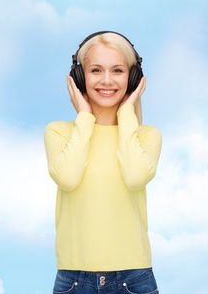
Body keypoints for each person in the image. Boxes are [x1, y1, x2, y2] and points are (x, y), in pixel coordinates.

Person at [44, 31, 162, 294]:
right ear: (78, 78)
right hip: (74, 280)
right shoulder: (59, 133)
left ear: (133, 79)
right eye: (96, 70)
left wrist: (127, 114)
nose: (107, 80)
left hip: (133, 279)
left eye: (118, 70)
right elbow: (68, 178)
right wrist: (84, 117)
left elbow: (134, 177)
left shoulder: (146, 136)